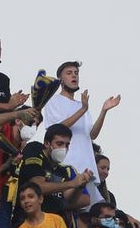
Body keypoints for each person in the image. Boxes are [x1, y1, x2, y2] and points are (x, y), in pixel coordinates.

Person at [39, 60, 118, 202]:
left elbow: (92, 134)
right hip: (68, 166)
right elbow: (56, 129)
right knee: (73, 210)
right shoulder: (54, 101)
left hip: (87, 166)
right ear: (60, 80)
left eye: (76, 73)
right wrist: (82, 110)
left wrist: (103, 111)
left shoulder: (82, 106)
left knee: (96, 210)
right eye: (69, 73)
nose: (74, 76)